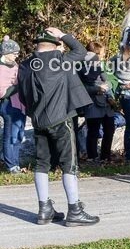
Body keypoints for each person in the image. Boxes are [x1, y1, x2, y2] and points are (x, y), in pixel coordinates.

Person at [17, 27, 97, 225]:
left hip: (38, 121)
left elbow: (22, 95)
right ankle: (75, 211)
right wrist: (63, 35)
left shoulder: (25, 65)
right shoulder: (58, 60)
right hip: (61, 119)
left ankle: (44, 209)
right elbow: (80, 51)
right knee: (69, 164)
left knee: (41, 163)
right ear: (55, 45)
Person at [0, 36, 26, 173]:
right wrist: (18, 86)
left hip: (20, 104)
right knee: (11, 135)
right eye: (14, 53)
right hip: (9, 105)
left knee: (19, 134)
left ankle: (15, 162)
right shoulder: (1, 68)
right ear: (6, 52)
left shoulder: (14, 65)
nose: (17, 56)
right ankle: (10, 165)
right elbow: (2, 92)